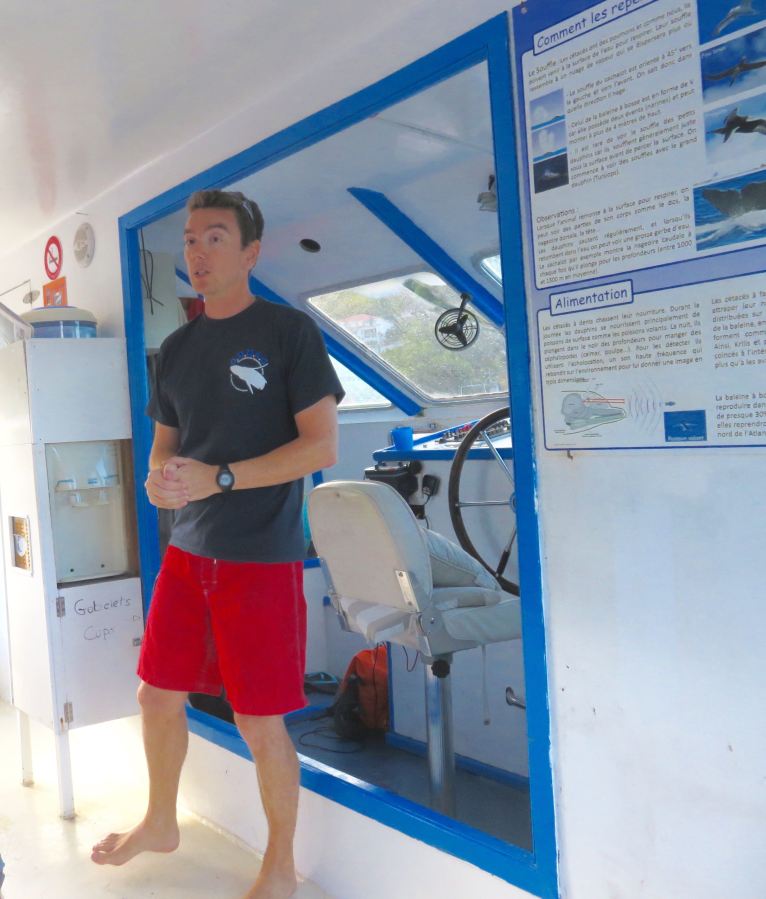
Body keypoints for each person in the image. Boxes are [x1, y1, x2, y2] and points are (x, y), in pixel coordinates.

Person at [91, 188, 344, 899]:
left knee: (260, 719)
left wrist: (220, 477)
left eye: (215, 238)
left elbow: (320, 446)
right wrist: (159, 483)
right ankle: (160, 821)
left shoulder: (289, 332)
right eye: (190, 239)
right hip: (188, 552)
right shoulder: (177, 348)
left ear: (250, 253)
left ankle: (280, 866)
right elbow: (164, 449)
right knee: (156, 694)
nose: (198, 252)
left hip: (260, 557)